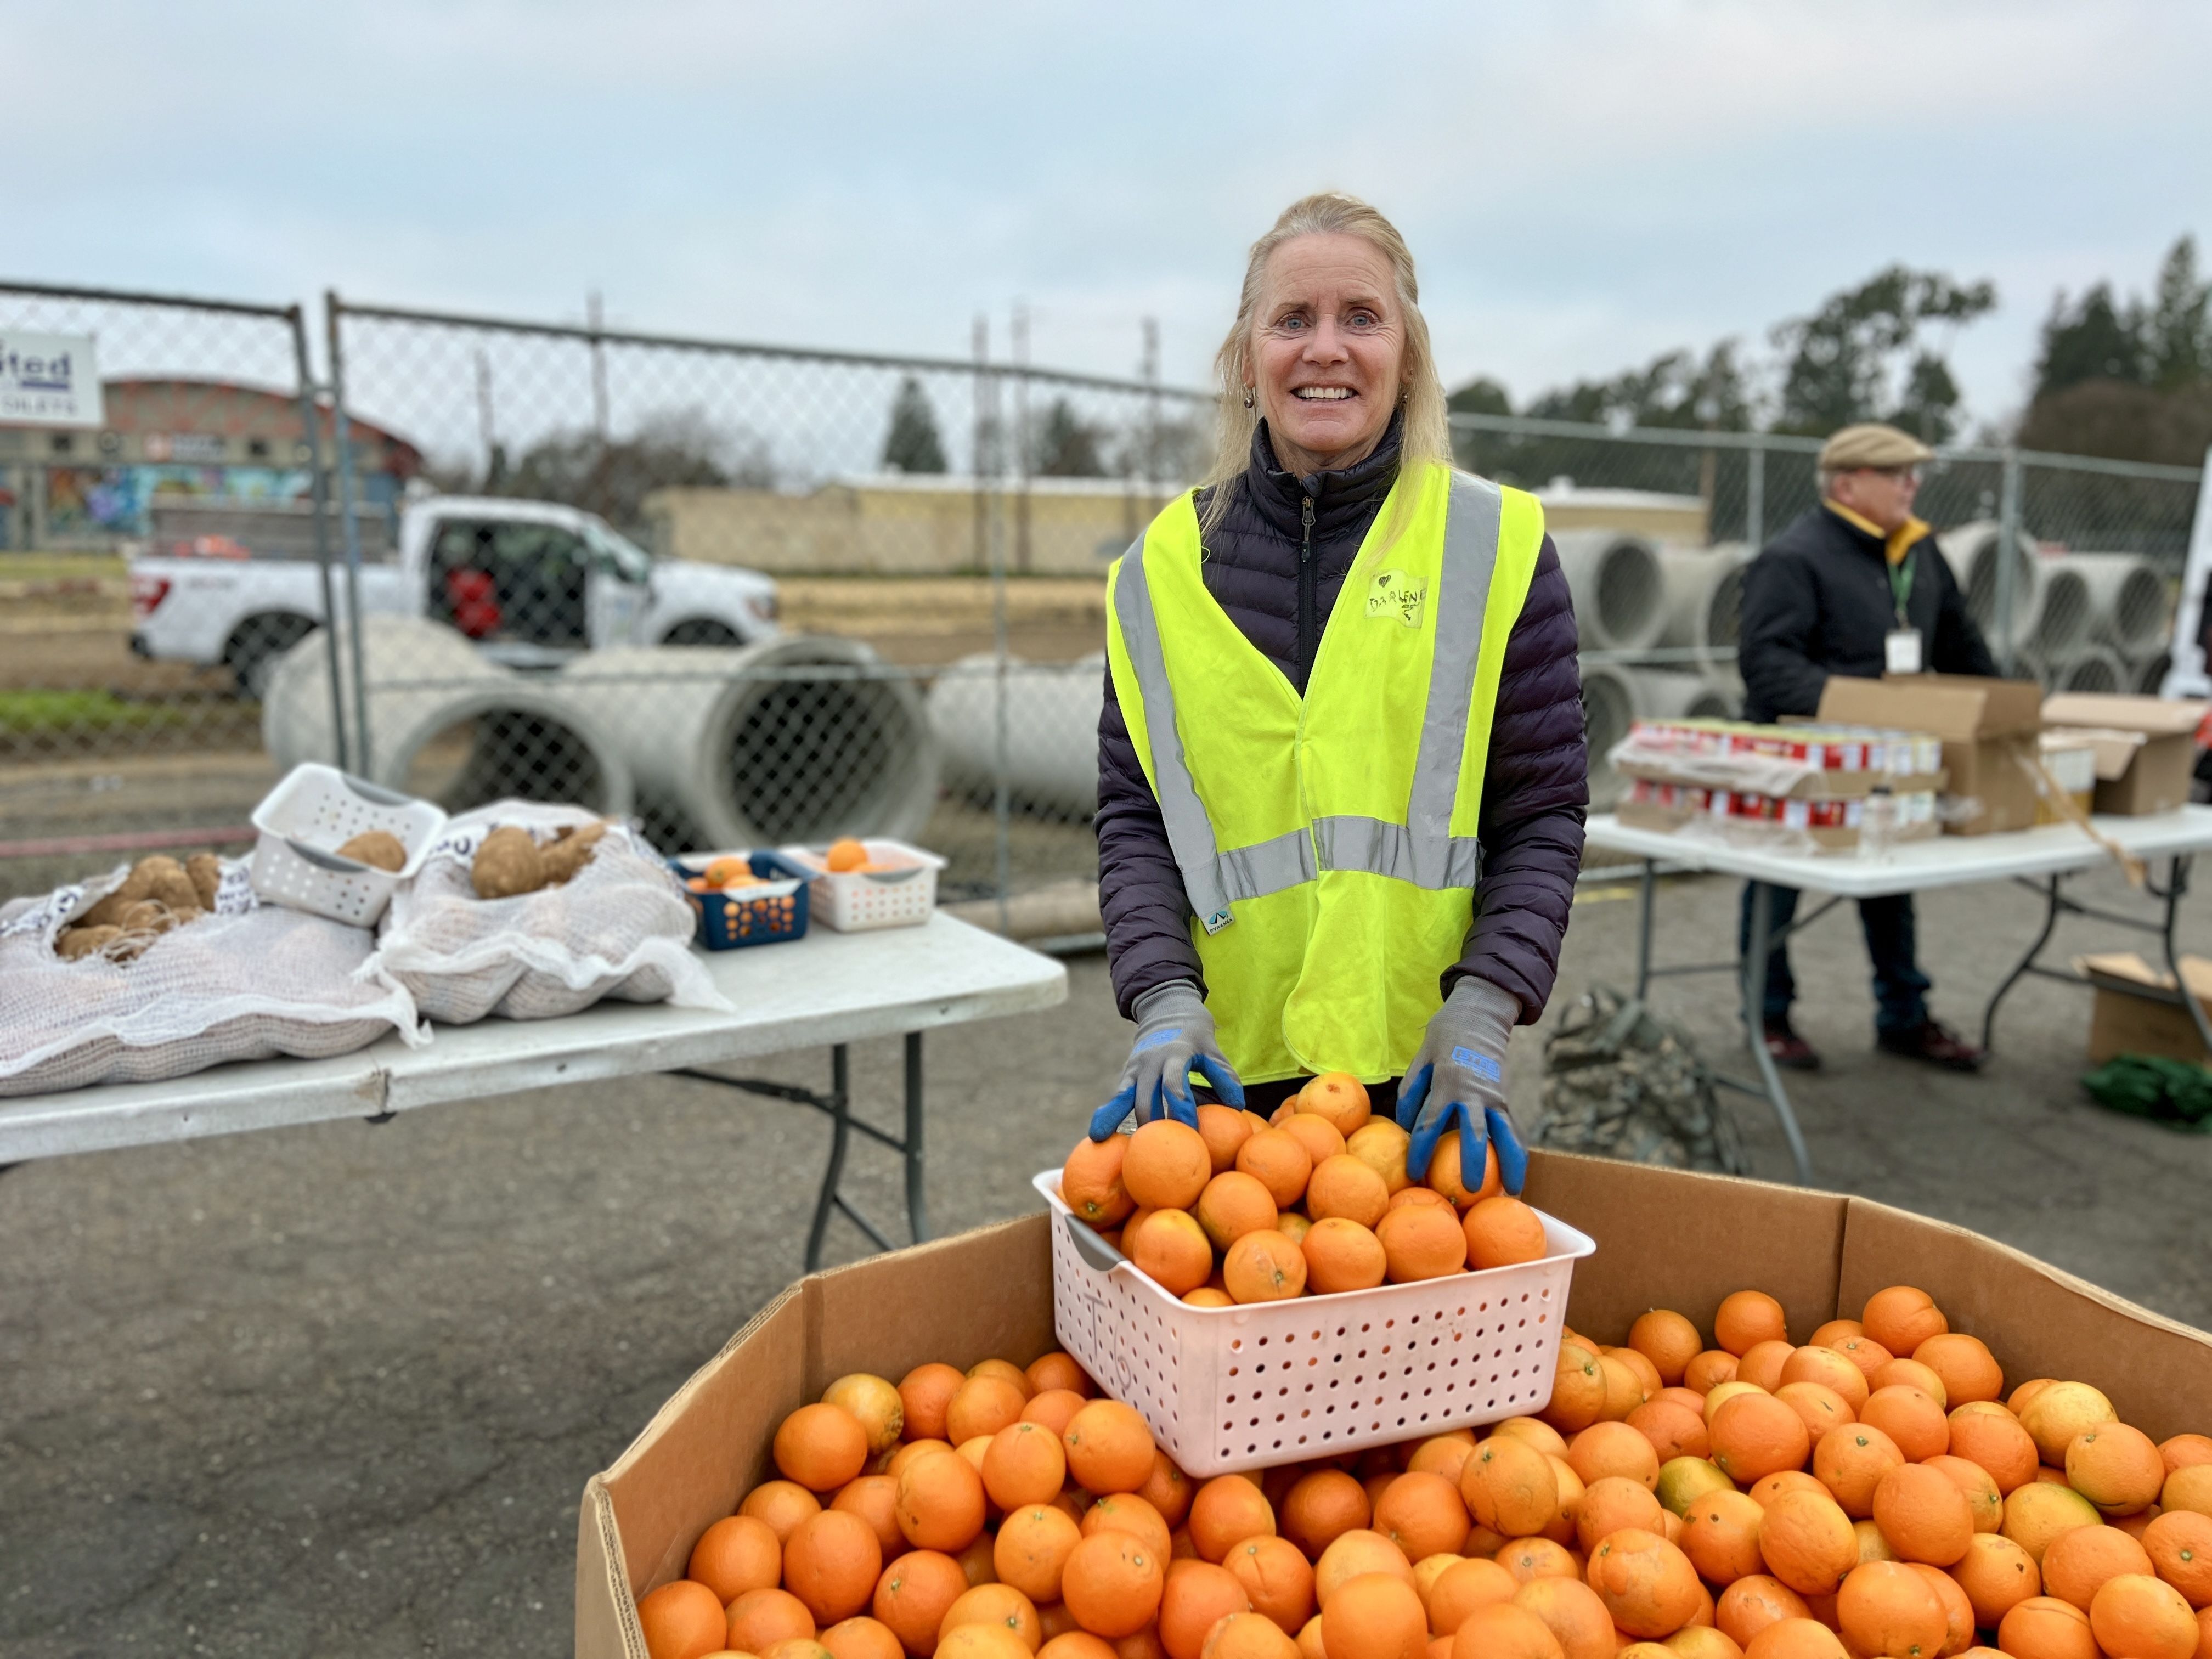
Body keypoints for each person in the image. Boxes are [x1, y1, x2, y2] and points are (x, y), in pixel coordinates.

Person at [1090, 193, 1589, 1193]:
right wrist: (1159, 997)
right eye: (1292, 320)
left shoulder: (1498, 547)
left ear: (1408, 354)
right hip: (1220, 1085)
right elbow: (1136, 817)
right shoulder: (1156, 572)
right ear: (1246, 358)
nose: (1326, 348)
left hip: (1429, 1075)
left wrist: (1487, 1002)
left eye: (1360, 317)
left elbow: (1540, 811)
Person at [1736, 421, 1999, 1072]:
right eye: (1898, 475)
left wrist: (2006, 712)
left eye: (1916, 475)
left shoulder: (1921, 552)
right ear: (1848, 484)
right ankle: (1766, 1017)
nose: (1913, 486)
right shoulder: (1793, 558)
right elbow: (1767, 665)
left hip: (1891, 762)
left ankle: (1903, 1015)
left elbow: (1961, 646)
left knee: (1892, 885)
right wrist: (1863, 704)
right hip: (1802, 767)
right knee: (1777, 890)